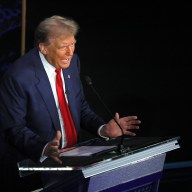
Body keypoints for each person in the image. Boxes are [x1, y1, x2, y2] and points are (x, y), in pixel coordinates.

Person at [0, 15, 141, 191]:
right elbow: (14, 129)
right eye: (63, 47)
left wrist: (102, 128)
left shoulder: (73, 62)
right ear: (43, 48)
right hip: (37, 172)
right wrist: (44, 148)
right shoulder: (18, 77)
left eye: (73, 44)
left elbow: (79, 106)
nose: (70, 52)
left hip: (74, 165)